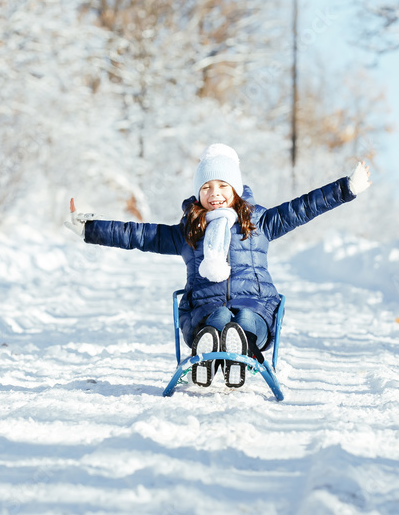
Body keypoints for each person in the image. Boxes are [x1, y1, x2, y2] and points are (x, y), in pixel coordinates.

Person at [66, 143, 371, 389]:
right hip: (202, 311)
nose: (214, 194)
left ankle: (241, 350)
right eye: (207, 187)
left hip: (256, 307)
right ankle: (206, 354)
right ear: (198, 193)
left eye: (222, 185)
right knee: (219, 315)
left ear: (235, 189)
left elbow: (305, 206)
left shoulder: (260, 223)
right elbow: (137, 235)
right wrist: (90, 229)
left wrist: (347, 188)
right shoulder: (187, 232)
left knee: (246, 317)